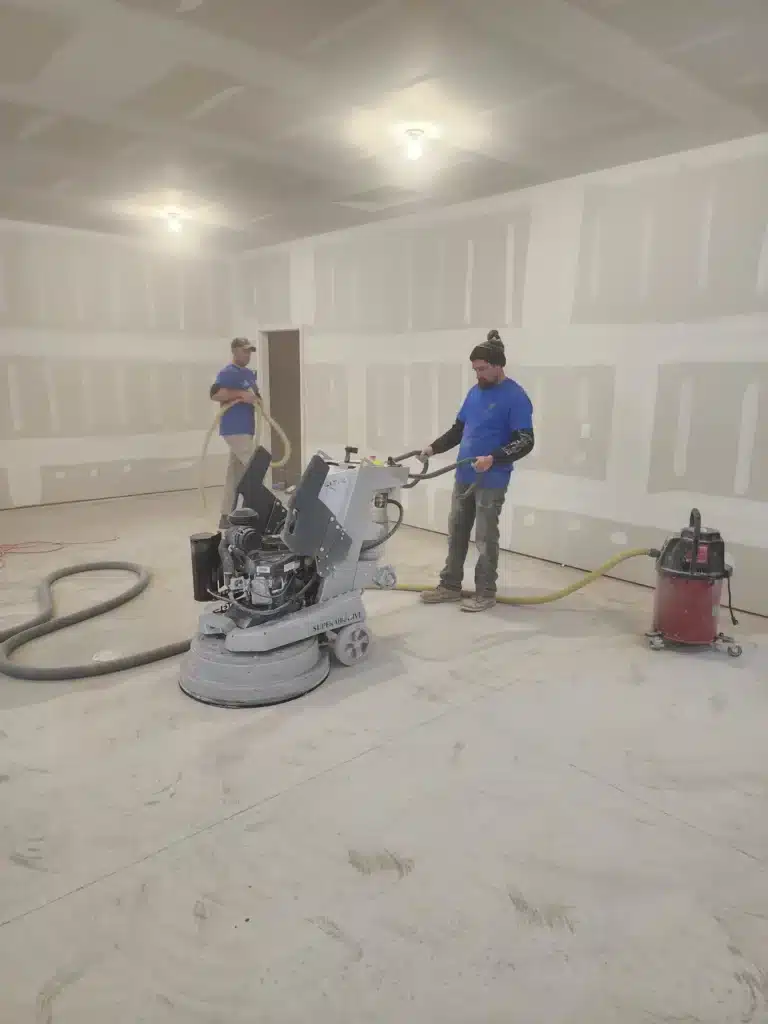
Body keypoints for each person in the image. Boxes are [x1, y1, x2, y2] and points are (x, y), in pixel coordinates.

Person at [419, 330, 534, 613]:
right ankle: (450, 586)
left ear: (498, 366)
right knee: (456, 531)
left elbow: (525, 440)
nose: (478, 374)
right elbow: (459, 429)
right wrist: (433, 448)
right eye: (475, 369)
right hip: (465, 476)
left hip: (491, 479)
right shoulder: (475, 393)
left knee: (484, 536)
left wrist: (493, 458)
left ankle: (485, 591)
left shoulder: (515, 397)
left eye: (483, 369)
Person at [210, 337, 260, 528]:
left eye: (249, 352)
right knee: (256, 466)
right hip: (234, 428)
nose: (247, 355)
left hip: (246, 428)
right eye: (244, 351)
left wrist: (255, 398)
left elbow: (254, 395)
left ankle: (226, 516)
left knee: (235, 475)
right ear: (235, 351)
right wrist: (240, 395)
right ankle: (254, 514)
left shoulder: (248, 373)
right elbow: (215, 394)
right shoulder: (228, 373)